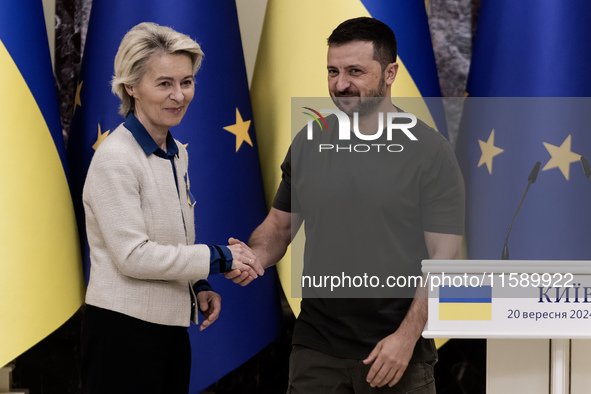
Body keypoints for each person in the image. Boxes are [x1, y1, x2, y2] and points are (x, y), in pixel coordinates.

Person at [226, 17, 465, 393]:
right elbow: (279, 226)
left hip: (398, 354)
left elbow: (444, 257)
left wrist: (405, 338)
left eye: (355, 71)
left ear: (390, 73)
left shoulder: (430, 152)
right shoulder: (309, 143)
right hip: (316, 351)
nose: (340, 84)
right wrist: (256, 255)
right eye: (332, 71)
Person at [80, 22, 262, 394]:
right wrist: (220, 257)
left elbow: (170, 237)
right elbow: (134, 255)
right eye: (164, 83)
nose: (179, 95)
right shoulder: (116, 157)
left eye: (186, 81)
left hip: (170, 331)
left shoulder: (176, 152)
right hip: (122, 334)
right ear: (131, 86)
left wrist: (196, 285)